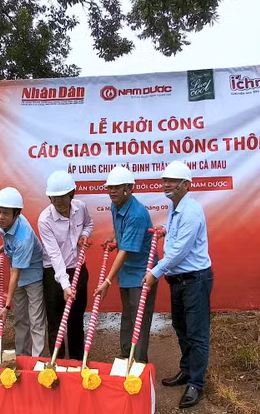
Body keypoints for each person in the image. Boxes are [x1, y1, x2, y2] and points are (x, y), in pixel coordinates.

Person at [143, 161, 213, 409]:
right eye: (164, 181)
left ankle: (196, 383)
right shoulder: (175, 208)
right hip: (179, 280)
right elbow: (175, 239)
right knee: (181, 327)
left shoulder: (191, 211)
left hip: (195, 279)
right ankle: (186, 370)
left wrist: (155, 272)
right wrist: (163, 230)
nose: (166, 185)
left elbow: (180, 252)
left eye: (172, 181)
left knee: (197, 332)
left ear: (186, 185)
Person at [92, 165, 157, 363]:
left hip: (142, 272)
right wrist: (115, 239)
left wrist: (107, 281)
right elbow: (120, 232)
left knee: (139, 318)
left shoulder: (137, 214)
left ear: (129, 188)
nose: (112, 191)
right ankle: (125, 354)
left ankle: (138, 362)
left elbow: (126, 251)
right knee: (128, 314)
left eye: (117, 187)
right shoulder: (115, 205)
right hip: (127, 270)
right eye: (110, 187)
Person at [38, 170, 94, 360]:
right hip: (54, 274)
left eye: (62, 197)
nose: (58, 201)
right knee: (55, 321)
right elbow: (54, 255)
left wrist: (85, 235)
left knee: (76, 319)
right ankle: (58, 363)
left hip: (78, 269)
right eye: (53, 197)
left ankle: (78, 362)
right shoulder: (44, 220)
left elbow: (89, 224)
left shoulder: (81, 207)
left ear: (72, 194)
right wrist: (65, 285)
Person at [0, 187, 47, 357]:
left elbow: (15, 273)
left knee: (36, 320)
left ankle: (38, 362)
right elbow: (11, 241)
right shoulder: (7, 223)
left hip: (33, 276)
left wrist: (6, 306)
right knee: (20, 319)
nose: (0, 217)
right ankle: (21, 358)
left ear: (16, 214)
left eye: (5, 214)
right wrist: (7, 247)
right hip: (18, 272)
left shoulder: (23, 238)